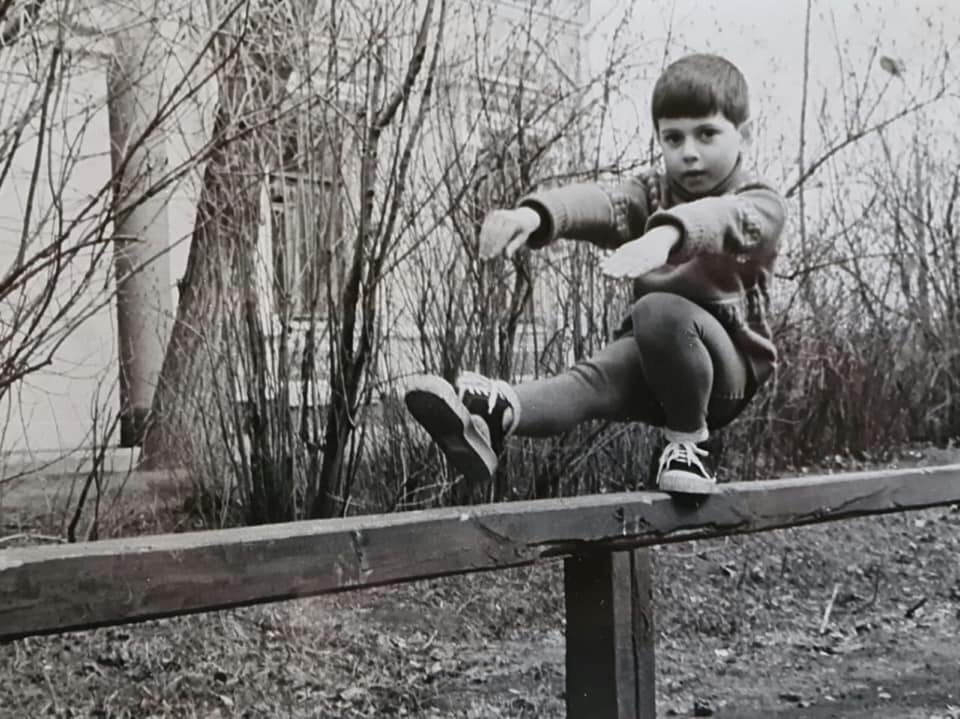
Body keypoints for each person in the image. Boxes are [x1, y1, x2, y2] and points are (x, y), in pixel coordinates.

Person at [405, 53, 787, 495]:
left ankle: (689, 446)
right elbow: (605, 203)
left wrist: (664, 236)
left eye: (707, 134)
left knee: (658, 311)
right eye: (673, 138)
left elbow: (724, 218)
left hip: (725, 378)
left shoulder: (761, 204)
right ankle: (495, 416)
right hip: (656, 357)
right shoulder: (651, 191)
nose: (689, 153)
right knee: (589, 381)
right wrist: (535, 216)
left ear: (745, 134)